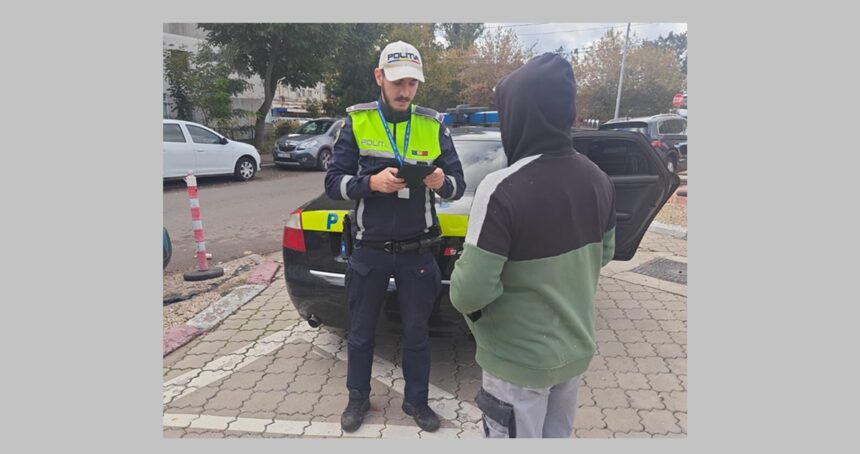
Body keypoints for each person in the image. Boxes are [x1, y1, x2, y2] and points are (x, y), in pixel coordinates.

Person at [449, 53, 616, 438]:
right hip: (573, 352)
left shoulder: (500, 189)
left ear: (519, 114)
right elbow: (604, 254)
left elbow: (468, 293)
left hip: (516, 364)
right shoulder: (599, 179)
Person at [324, 40, 466, 433]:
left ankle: (416, 401)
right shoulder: (357, 122)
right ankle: (357, 398)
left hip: (418, 251)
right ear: (379, 77)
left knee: (418, 334)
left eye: (412, 83)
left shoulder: (433, 125)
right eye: (398, 82)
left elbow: (458, 185)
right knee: (360, 333)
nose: (405, 91)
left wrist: (441, 181)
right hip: (369, 250)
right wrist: (371, 183)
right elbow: (333, 184)